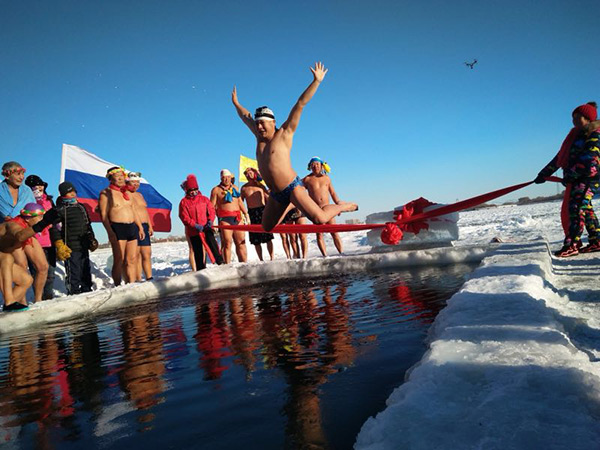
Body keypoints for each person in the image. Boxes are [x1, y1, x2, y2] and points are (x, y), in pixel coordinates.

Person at [231, 62, 357, 232]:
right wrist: (236, 103)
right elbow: (245, 116)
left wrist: (316, 81)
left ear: (273, 122)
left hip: (291, 187)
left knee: (319, 218)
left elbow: (300, 104)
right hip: (276, 195)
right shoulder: (258, 136)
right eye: (257, 124)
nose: (259, 127)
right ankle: (289, 205)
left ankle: (343, 207)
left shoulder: (284, 134)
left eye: (263, 124)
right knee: (266, 227)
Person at [535, 102, 600, 257]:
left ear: (588, 119)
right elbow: (559, 158)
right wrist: (543, 174)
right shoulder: (574, 137)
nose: (575, 121)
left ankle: (572, 245)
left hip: (588, 180)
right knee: (586, 209)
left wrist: (571, 174)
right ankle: (596, 241)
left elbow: (590, 161)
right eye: (573, 118)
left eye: (579, 117)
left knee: (576, 209)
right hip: (577, 180)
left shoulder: (594, 135)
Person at [0, 162, 48, 302]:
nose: (21, 177)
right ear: (7, 175)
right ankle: (21, 302)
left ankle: (38, 300)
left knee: (42, 266)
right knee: (21, 266)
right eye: (17, 173)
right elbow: (7, 217)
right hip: (10, 234)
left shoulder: (26, 190)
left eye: (22, 173)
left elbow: (31, 211)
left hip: (26, 230)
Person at [0, 204, 58, 311]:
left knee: (27, 279)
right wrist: (43, 223)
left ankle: (14, 307)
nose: (42, 219)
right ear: (28, 218)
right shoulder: (12, 225)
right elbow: (20, 236)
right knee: (10, 260)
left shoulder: (28, 228)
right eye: (40, 217)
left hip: (3, 257)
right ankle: (10, 303)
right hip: (2, 257)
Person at [98, 166, 144, 286]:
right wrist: (110, 232)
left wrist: (140, 227)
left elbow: (134, 211)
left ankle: (132, 284)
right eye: (117, 176)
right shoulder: (106, 193)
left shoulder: (127, 193)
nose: (120, 178)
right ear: (111, 179)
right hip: (118, 228)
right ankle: (118, 286)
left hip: (131, 227)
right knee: (119, 260)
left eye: (121, 176)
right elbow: (103, 215)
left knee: (132, 259)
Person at [51, 182, 98, 295]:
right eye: (69, 192)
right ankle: (74, 291)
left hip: (83, 244)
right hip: (70, 246)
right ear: (62, 194)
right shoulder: (60, 209)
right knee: (74, 270)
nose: (72, 194)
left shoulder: (81, 207)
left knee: (86, 268)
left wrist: (92, 238)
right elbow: (55, 228)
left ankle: (87, 288)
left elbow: (88, 224)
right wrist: (59, 243)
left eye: (73, 191)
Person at [179, 174, 223, 270]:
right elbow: (184, 216)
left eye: (195, 190)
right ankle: (201, 269)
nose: (194, 192)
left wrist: (210, 221)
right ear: (187, 190)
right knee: (198, 251)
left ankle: (221, 263)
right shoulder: (184, 202)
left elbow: (211, 210)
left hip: (206, 228)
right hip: (194, 231)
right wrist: (194, 225)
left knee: (213, 245)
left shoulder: (204, 199)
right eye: (191, 190)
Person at [303, 157, 344, 256]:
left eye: (317, 164)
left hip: (328, 208)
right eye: (313, 164)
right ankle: (325, 256)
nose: (315, 166)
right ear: (310, 166)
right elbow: (297, 191)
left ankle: (342, 253)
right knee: (319, 234)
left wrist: (338, 204)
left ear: (322, 166)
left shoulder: (326, 178)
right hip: (315, 209)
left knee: (334, 232)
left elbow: (333, 193)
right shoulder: (307, 179)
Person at [25, 175, 57, 299]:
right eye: (35, 186)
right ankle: (40, 296)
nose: (39, 187)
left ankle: (48, 296)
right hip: (36, 241)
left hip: (50, 240)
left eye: (41, 185)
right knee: (37, 271)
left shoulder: (49, 200)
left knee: (51, 272)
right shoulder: (27, 202)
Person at [210, 169, 249, 264]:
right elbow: (211, 207)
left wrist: (246, 214)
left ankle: (244, 264)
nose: (226, 179)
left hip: (237, 218)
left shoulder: (235, 187)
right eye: (224, 177)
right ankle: (227, 266)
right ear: (221, 178)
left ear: (231, 178)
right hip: (225, 219)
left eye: (228, 177)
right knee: (227, 243)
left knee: (241, 242)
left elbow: (240, 202)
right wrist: (212, 220)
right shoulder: (216, 190)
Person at [240, 167, 274, 261]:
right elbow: (240, 202)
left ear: (254, 173)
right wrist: (243, 215)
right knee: (256, 239)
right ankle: (261, 259)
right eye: (246, 174)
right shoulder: (244, 188)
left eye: (250, 173)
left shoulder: (260, 185)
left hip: (262, 211)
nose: (248, 175)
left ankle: (271, 258)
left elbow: (268, 198)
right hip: (251, 213)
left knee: (268, 237)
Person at [126, 172, 154, 281]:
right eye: (133, 182)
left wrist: (150, 226)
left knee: (147, 253)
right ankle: (138, 279)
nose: (136, 184)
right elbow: (133, 211)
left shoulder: (140, 195)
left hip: (145, 225)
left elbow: (145, 211)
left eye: (138, 182)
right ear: (128, 182)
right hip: (134, 225)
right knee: (136, 255)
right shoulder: (126, 194)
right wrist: (140, 227)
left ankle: (149, 277)